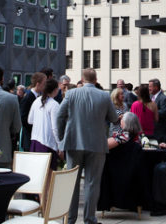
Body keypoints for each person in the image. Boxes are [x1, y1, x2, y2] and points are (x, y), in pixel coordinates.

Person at [56, 68, 119, 224]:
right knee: (92, 183)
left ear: (82, 80)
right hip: (97, 144)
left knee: (73, 182)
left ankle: (70, 219)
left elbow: (59, 116)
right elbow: (113, 118)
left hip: (74, 143)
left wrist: (62, 137)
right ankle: (90, 219)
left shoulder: (71, 94)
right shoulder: (104, 96)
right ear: (96, 79)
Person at [28, 78, 61, 170]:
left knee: (36, 172)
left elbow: (30, 120)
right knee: (48, 175)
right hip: (47, 143)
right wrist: (60, 145)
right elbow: (55, 128)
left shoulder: (36, 101)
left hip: (35, 140)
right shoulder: (54, 104)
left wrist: (40, 121)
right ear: (55, 90)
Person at [18, 72, 46, 152]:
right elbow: (23, 118)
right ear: (38, 84)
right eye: (44, 83)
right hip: (29, 137)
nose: (45, 86)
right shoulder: (28, 97)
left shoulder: (38, 96)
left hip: (35, 136)